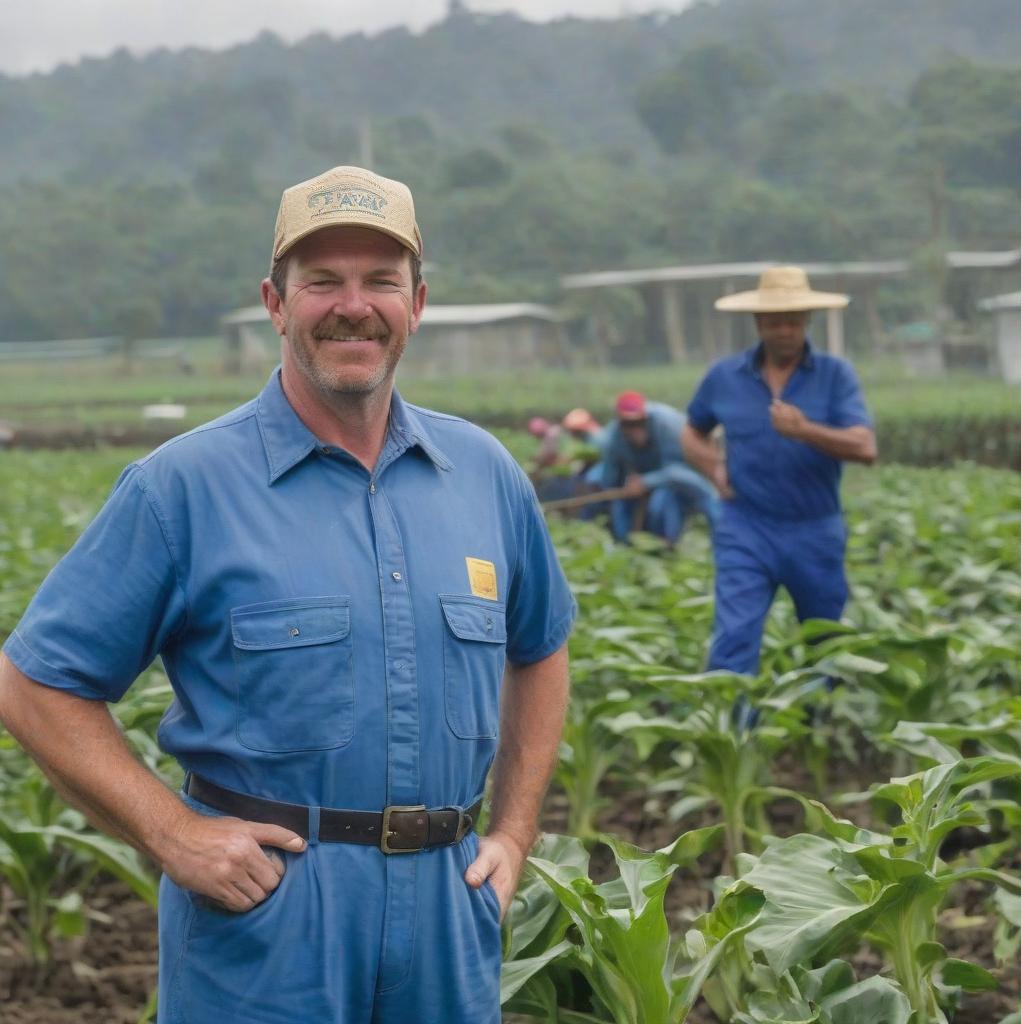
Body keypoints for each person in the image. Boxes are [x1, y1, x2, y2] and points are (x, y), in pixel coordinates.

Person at [0, 165, 576, 1024]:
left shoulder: (484, 474)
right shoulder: (182, 487)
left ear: (416, 305)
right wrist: (172, 832)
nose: (354, 304)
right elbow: (35, 682)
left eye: (382, 280)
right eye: (322, 282)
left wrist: (515, 832)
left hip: (449, 909)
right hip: (270, 918)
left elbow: (540, 647)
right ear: (276, 303)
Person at [682, 265, 876, 677]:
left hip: (814, 528)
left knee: (825, 639)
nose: (784, 329)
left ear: (808, 319)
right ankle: (732, 734)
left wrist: (804, 429)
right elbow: (692, 432)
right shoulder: (724, 377)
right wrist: (713, 467)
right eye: (774, 320)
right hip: (745, 526)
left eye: (793, 320)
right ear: (758, 322)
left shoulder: (835, 375)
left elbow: (865, 447)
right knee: (733, 638)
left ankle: (819, 727)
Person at [601, 390, 719, 546]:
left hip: (681, 477)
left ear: (645, 417)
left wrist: (646, 481)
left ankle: (715, 536)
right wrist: (624, 489)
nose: (634, 429)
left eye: (638, 423)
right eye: (627, 424)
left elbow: (677, 473)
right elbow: (610, 480)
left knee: (663, 504)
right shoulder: (613, 438)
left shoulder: (667, 424)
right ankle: (625, 547)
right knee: (620, 507)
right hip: (643, 479)